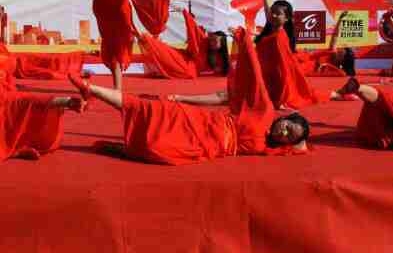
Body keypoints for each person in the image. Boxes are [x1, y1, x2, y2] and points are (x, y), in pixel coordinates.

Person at [65, 28, 309, 165]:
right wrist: (245, 41)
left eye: (289, 136)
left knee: (158, 149)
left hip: (207, 147)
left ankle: (125, 149)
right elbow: (255, 78)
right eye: (288, 127)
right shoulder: (264, 112)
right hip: (203, 122)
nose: (284, 133)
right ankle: (91, 89)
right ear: (284, 118)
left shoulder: (272, 149)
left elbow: (302, 148)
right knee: (149, 108)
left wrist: (299, 138)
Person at [91, 0, 191, 90]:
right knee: (110, 49)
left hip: (120, 16)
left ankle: (117, 89)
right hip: (103, 17)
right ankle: (117, 87)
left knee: (118, 50)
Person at [254, 0, 320, 109]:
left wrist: (282, 99)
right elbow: (267, 1)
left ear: (287, 18)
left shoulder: (280, 37)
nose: (273, 15)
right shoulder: (271, 26)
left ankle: (339, 94)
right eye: (272, 12)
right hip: (263, 77)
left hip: (273, 84)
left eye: (278, 14)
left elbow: (284, 71)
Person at [136, 8, 230, 79]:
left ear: (222, 44)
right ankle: (143, 38)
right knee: (163, 51)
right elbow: (193, 29)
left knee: (181, 69)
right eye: (212, 40)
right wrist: (185, 13)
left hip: (190, 70)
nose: (212, 42)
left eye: (215, 41)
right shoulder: (204, 41)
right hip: (186, 61)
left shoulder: (222, 57)